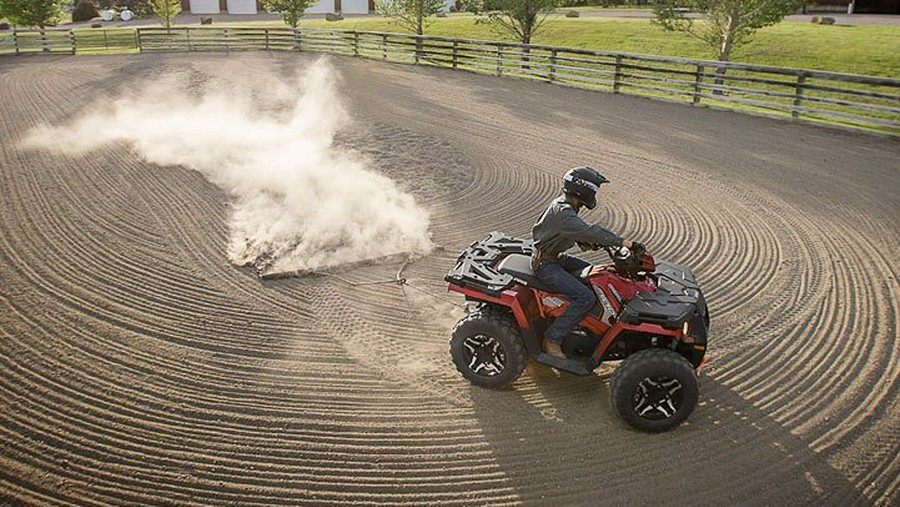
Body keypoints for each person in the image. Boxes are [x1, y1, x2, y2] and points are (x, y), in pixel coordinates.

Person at [531, 167, 643, 359]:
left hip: (556, 258)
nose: (594, 195)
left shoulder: (567, 206)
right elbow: (589, 231)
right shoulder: (563, 212)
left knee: (595, 274)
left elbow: (577, 234)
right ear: (582, 190)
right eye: (593, 190)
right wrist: (625, 243)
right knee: (585, 297)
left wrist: (595, 244)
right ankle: (552, 339)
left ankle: (585, 326)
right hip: (546, 266)